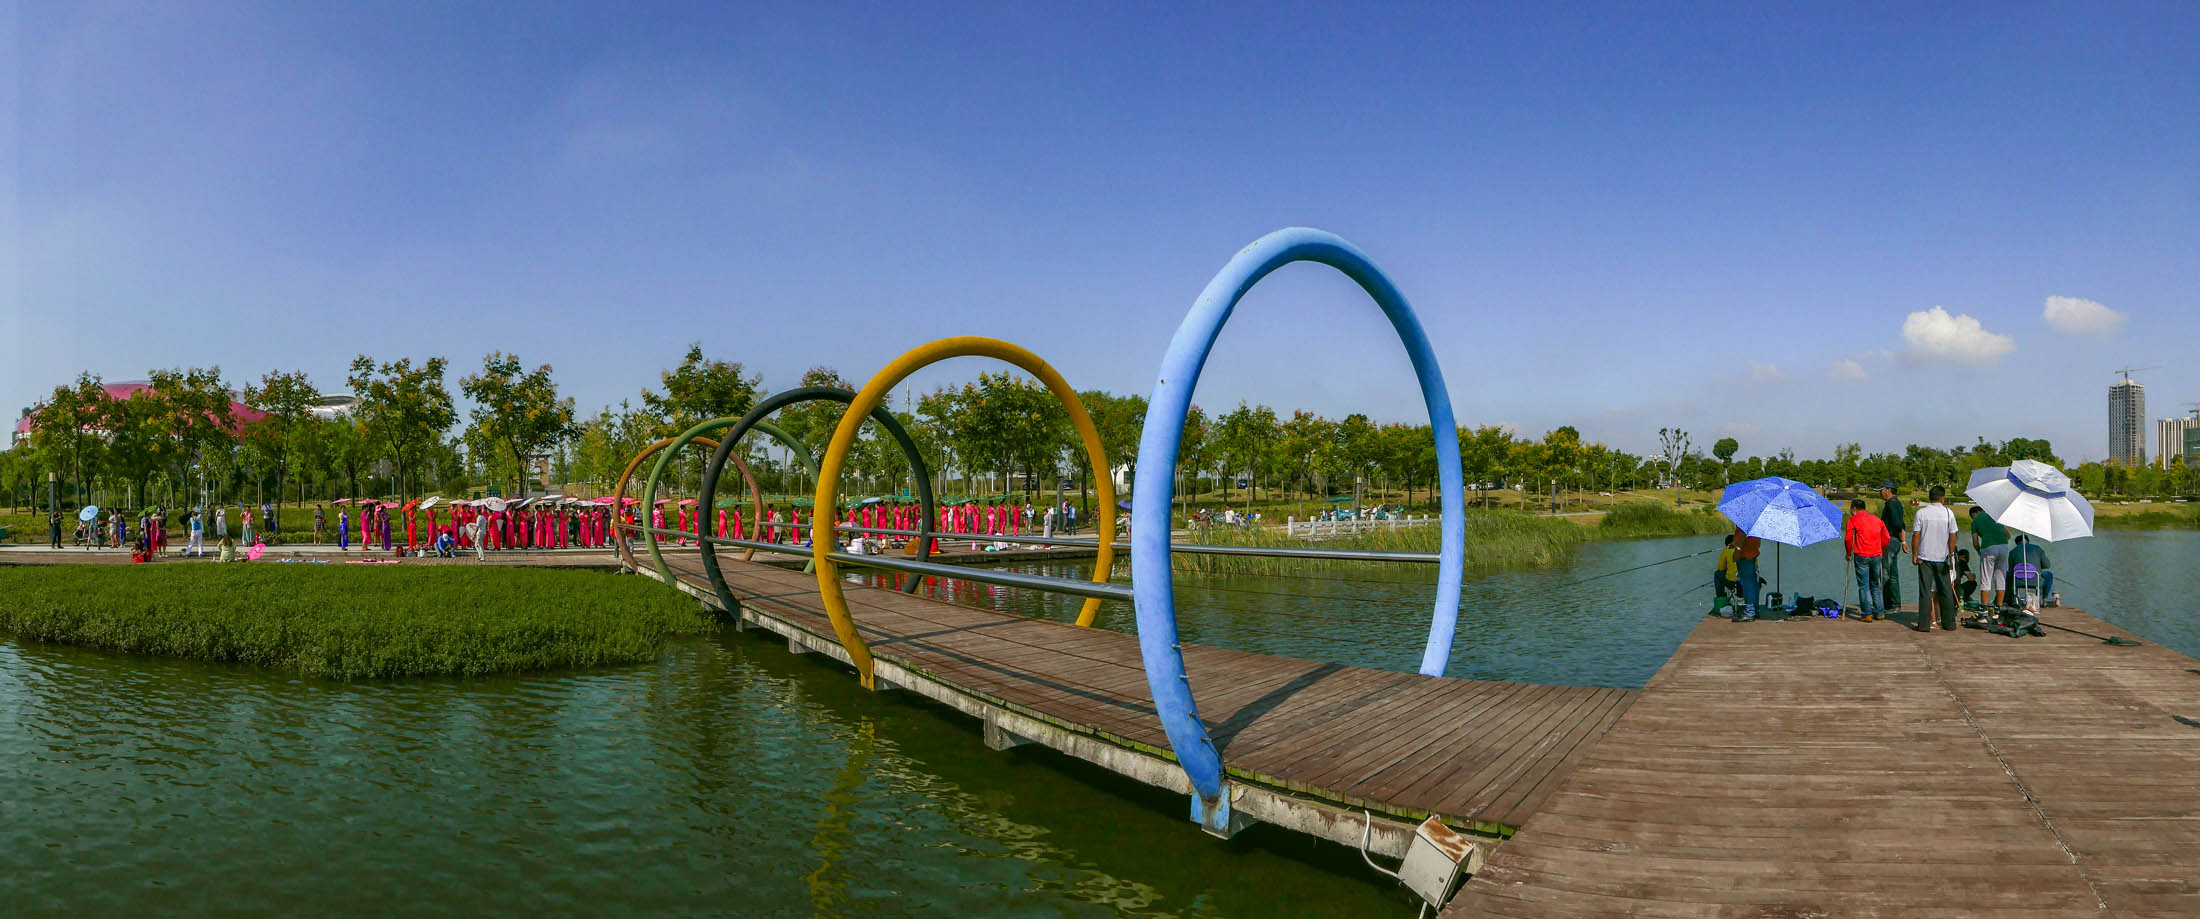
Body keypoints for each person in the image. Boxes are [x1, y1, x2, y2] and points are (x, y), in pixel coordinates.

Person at [1911, 484, 1959, 632]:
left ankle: (1924, 625)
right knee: (1945, 590)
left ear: (1930, 497)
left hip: (1924, 556)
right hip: (1942, 556)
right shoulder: (1948, 513)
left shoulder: (1921, 513)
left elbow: (1916, 535)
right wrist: (1951, 552)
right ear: (1942, 498)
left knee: (1925, 592)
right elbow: (1953, 535)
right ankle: (1949, 623)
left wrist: (1914, 554)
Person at [1842, 497, 1889, 621]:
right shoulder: (1876, 519)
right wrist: (1882, 550)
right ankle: (1879, 612)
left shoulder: (1853, 520)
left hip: (1861, 555)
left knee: (1864, 585)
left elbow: (1848, 539)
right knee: (1875, 584)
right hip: (1876, 555)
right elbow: (1886, 537)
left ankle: (1867, 613)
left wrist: (1848, 553)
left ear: (1854, 509)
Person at [1968, 506, 2009, 609]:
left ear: (1974, 513)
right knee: (2000, 578)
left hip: (1988, 548)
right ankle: (1999, 607)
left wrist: (1979, 552)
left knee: (1986, 578)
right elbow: (2008, 536)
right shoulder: (1995, 517)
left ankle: (1984, 608)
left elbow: (1975, 543)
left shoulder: (1975, 522)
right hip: (2003, 546)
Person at [1877, 483, 1906, 614]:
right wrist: (1903, 541)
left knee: (1885, 573)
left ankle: (1882, 604)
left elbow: (1897, 523)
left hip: (1889, 541)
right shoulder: (1897, 503)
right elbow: (1901, 524)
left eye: (1881, 490)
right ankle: (1894, 604)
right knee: (1893, 574)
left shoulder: (1890, 504)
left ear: (1888, 490)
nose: (1880, 493)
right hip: (1895, 541)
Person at [2004, 534, 2054, 608]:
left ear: (2017, 543)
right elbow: (2047, 565)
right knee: (2048, 574)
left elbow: (2011, 569)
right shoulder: (2037, 549)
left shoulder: (2013, 552)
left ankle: (2008, 598)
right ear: (2028, 541)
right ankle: (2047, 599)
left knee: (2007, 574)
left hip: (2018, 581)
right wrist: (2037, 566)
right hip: (2036, 580)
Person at [1731, 524, 1762, 621]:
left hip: (1744, 555)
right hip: (1752, 553)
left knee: (1747, 583)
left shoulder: (1744, 520)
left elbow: (1742, 534)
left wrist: (1737, 550)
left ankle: (1750, 612)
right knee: (1752, 582)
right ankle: (1755, 610)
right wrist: (1735, 544)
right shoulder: (1756, 521)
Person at [1711, 534, 1739, 614]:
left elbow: (1720, 568)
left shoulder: (1726, 551)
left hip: (1733, 583)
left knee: (1717, 574)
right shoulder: (1745, 550)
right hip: (1747, 583)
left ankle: (1721, 597)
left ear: (1728, 544)